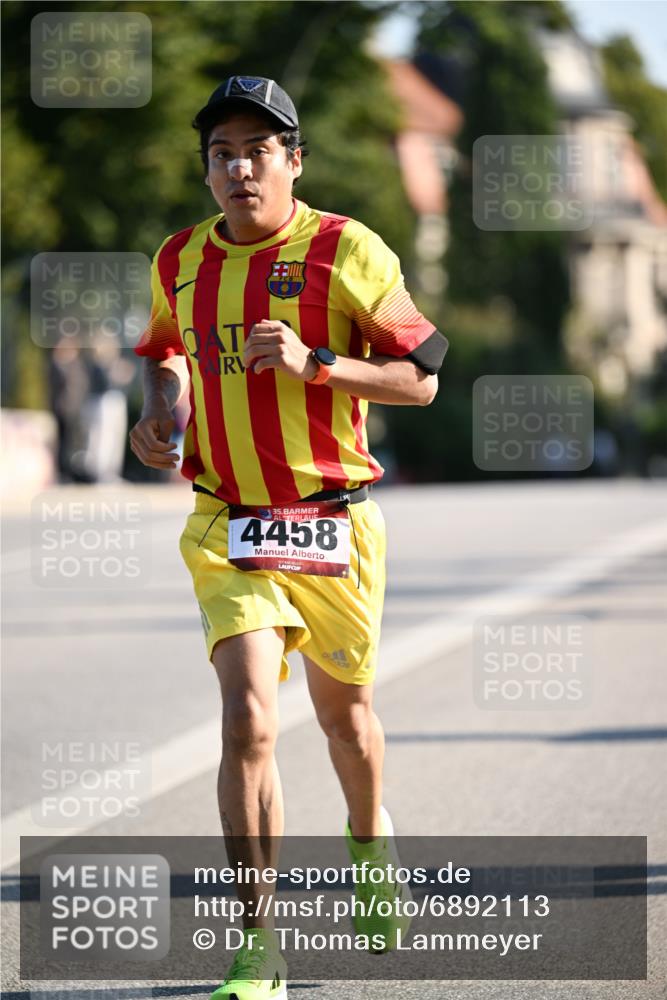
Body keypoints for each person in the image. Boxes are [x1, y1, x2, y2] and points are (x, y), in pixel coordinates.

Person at [130, 75, 447, 1000]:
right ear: (208, 172)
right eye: (221, 154)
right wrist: (161, 417)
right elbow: (164, 354)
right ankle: (258, 942)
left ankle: (366, 839)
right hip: (227, 520)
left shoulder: (346, 249)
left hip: (333, 523)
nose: (238, 168)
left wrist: (320, 366)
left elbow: (422, 377)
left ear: (292, 162)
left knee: (344, 719)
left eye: (257, 151)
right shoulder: (180, 258)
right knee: (247, 721)